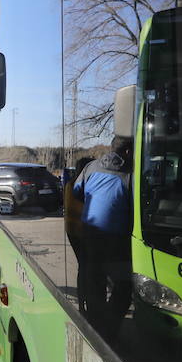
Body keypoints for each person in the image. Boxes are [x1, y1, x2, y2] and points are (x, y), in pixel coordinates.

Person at [70, 136, 133, 334]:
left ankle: (97, 324)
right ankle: (111, 325)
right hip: (118, 237)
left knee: (95, 279)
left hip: (91, 233)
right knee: (124, 284)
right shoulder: (131, 173)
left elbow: (77, 191)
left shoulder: (90, 168)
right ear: (128, 152)